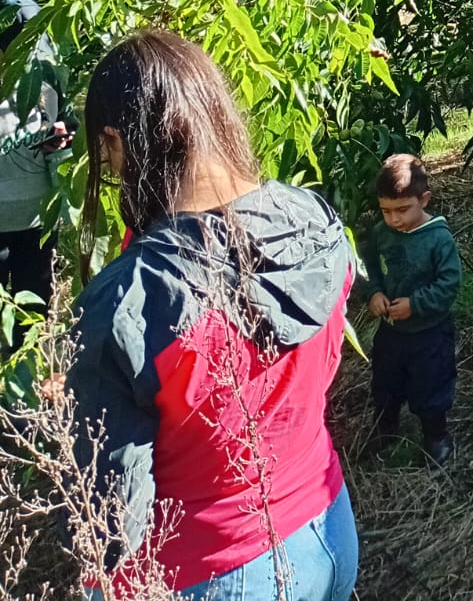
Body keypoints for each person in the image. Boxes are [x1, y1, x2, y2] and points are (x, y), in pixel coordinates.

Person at [66, 30, 357, 601]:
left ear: (115, 140)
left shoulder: (129, 302)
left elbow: (110, 521)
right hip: (327, 530)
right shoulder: (314, 223)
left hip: (213, 573)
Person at [361, 153, 461, 465]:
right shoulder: (382, 233)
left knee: (431, 384)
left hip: (429, 332)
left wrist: (416, 304)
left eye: (403, 209)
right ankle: (385, 429)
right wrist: (374, 292)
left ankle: (436, 435)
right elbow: (368, 266)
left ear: (424, 200)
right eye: (386, 211)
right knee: (385, 382)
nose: (394, 219)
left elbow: (449, 283)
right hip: (392, 331)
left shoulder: (438, 238)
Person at [0, 0, 70, 329]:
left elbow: (63, 132)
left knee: (33, 312)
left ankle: (25, 357)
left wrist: (60, 142)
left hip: (37, 221)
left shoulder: (46, 82)